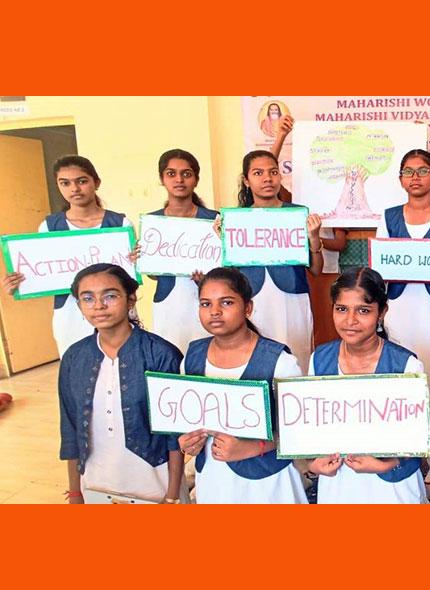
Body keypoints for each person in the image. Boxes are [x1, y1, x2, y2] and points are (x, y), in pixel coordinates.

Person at [177, 267, 307, 504]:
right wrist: (189, 441)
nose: (214, 312)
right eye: (205, 304)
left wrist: (252, 447)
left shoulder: (280, 361)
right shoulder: (193, 356)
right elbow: (191, 420)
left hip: (267, 485)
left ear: (248, 308)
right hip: (214, 481)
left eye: (226, 303)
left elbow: (302, 434)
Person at [59, 264, 185, 504]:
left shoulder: (161, 354)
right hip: (96, 479)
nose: (98, 305)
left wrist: (172, 496)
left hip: (153, 480)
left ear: (130, 300)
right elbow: (70, 426)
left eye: (110, 296)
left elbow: (174, 434)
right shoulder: (74, 357)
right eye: (88, 298)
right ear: (79, 306)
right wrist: (75, 491)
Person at [306, 267, 427, 503]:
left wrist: (386, 465)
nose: (350, 321)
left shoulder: (406, 366)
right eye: (341, 309)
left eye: (363, 310)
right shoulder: (319, 359)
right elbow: (313, 425)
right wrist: (314, 462)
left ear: (382, 312)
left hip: (392, 486)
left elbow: (418, 442)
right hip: (339, 479)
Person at [2, 156, 135, 357]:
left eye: (81, 181)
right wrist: (18, 284)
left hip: (115, 310)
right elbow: (39, 271)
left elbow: (132, 276)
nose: (74, 189)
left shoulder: (120, 224)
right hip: (69, 313)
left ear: (96, 182)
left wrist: (138, 261)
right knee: (77, 368)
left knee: (124, 362)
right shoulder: (49, 227)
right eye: (65, 183)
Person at [376, 149, 430, 401]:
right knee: (401, 365)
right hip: (399, 305)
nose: (415, 177)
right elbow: (381, 267)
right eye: (408, 172)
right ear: (401, 179)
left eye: (423, 171)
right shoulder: (389, 216)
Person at [234, 150, 323, 373]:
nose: (267, 178)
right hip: (252, 298)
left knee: (295, 358)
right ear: (246, 180)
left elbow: (316, 269)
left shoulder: (298, 214)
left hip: (292, 297)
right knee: (255, 360)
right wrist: (221, 240)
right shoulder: (235, 220)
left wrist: (314, 239)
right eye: (258, 173)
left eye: (273, 172)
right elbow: (229, 271)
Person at [148, 149, 219, 355]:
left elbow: (227, 267)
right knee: (170, 357)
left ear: (196, 179)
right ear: (162, 179)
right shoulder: (154, 222)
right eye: (171, 174)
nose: (179, 179)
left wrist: (208, 279)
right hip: (168, 303)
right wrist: (142, 259)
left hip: (207, 301)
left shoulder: (214, 219)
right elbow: (154, 274)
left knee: (206, 357)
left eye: (186, 174)